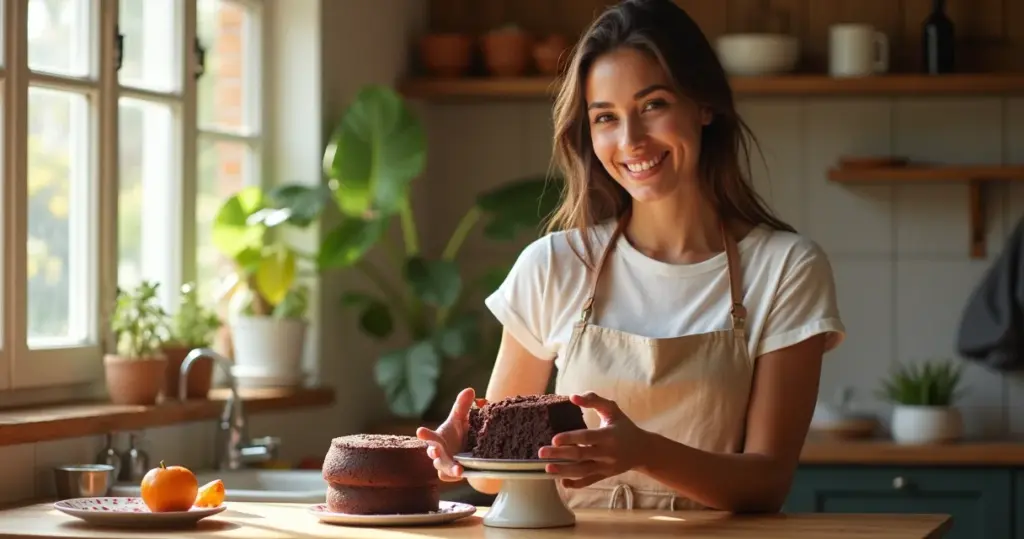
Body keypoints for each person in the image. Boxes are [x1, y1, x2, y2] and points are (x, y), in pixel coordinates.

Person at [416, 0, 845, 513]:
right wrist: (462, 447)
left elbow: (767, 483)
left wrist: (643, 452)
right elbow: (492, 479)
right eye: (605, 118)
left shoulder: (786, 269)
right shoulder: (554, 264)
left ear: (704, 105)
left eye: (653, 105)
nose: (630, 141)